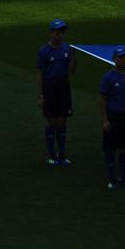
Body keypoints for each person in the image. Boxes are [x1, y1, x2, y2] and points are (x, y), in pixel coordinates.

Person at [36, 19, 76, 166]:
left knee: (62, 120)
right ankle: (51, 155)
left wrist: (73, 55)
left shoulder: (67, 48)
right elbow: (40, 75)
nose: (60, 35)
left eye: (62, 32)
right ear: (51, 33)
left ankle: (62, 154)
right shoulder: (44, 51)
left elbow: (72, 69)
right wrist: (40, 96)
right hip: (50, 87)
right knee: (51, 121)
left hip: (63, 85)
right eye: (58, 32)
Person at [100, 46, 125, 191]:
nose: (124, 60)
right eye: (121, 57)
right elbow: (103, 100)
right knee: (110, 149)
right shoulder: (108, 78)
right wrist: (105, 120)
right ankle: (112, 179)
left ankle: (124, 179)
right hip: (113, 116)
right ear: (114, 59)